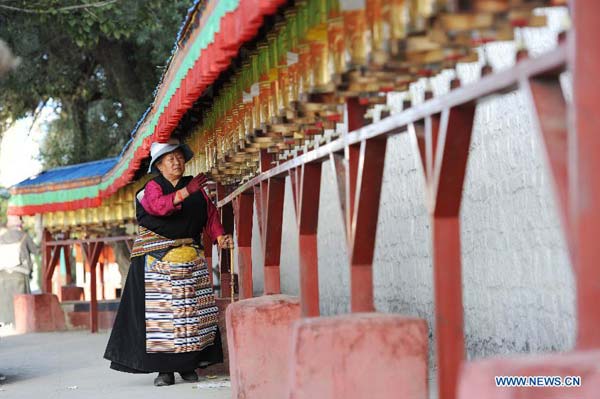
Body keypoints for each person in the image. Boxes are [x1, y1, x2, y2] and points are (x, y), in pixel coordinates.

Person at [104, 138, 233, 386]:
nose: (176, 162)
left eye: (179, 157)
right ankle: (165, 371)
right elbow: (159, 208)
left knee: (191, 316)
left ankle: (188, 366)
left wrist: (219, 236)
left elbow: (210, 215)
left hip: (190, 260)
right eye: (170, 159)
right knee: (163, 319)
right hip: (157, 262)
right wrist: (186, 192)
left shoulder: (196, 189)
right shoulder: (152, 189)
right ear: (159, 166)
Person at [0, 215, 38, 327]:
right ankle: (22, 323)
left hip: (3, 272)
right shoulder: (24, 236)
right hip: (20, 272)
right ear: (20, 224)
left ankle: (6, 321)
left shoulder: (2, 238)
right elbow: (35, 250)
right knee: (22, 298)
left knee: (6, 298)